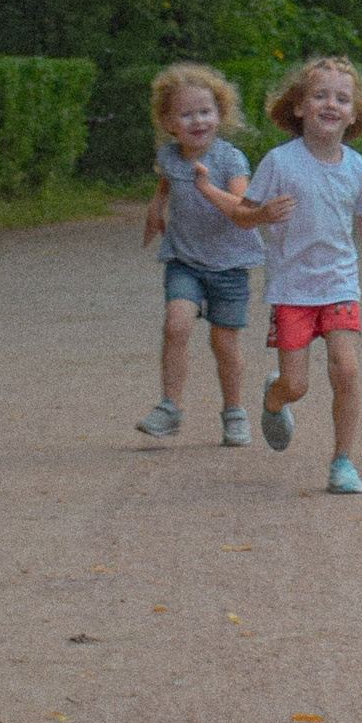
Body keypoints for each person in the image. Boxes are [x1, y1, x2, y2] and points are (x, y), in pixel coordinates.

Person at [201, 55, 362, 495]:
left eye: (342, 98)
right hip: (292, 289)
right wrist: (265, 212)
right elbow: (243, 216)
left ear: (354, 112)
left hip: (339, 284)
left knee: (346, 370)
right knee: (298, 384)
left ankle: (343, 462)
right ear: (299, 107)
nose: (331, 104)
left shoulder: (360, 169)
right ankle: (275, 397)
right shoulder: (279, 163)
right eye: (319, 95)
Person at [137, 65, 253, 445]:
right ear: (169, 122)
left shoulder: (230, 160)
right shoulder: (170, 156)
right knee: (176, 325)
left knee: (224, 343)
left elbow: (242, 207)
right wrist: (156, 208)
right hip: (184, 260)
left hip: (229, 266)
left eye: (205, 111)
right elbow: (167, 180)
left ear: (220, 114)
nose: (197, 120)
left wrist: (206, 187)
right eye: (186, 114)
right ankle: (169, 407)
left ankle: (234, 412)